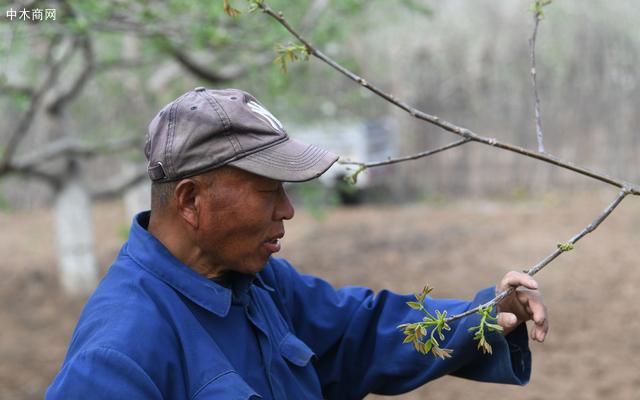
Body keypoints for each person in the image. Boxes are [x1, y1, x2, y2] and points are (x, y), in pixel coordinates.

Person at [46, 88, 548, 399]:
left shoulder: (259, 283)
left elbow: (359, 331)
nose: (287, 210)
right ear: (190, 200)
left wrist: (484, 315)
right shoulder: (119, 353)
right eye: (268, 192)